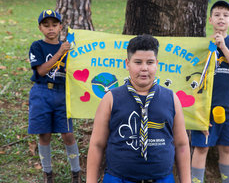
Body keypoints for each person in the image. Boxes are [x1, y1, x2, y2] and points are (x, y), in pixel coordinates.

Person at [87, 35, 191, 183]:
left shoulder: (171, 99)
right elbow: (97, 144)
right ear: (127, 64)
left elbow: (181, 144)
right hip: (118, 179)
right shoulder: (111, 98)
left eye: (150, 62)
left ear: (157, 64)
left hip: (162, 179)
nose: (144, 68)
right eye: (138, 62)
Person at [191, 1, 229, 183]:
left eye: (225, 15)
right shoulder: (202, 45)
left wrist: (223, 47)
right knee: (201, 148)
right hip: (204, 108)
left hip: (228, 108)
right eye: (217, 15)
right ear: (210, 20)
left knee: (226, 149)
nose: (221, 18)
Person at [28, 10, 81, 183]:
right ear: (40, 28)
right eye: (46, 25)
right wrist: (60, 52)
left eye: (54, 25)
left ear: (60, 27)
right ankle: (47, 173)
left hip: (61, 93)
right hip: (42, 92)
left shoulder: (69, 47)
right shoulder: (37, 46)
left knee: (68, 134)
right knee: (44, 134)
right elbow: (42, 71)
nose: (50, 29)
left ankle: (76, 173)